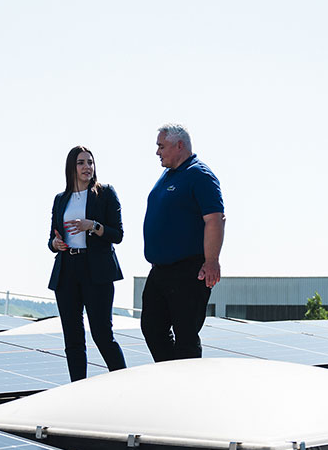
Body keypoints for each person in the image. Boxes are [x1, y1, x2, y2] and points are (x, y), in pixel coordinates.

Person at [141, 124, 226, 361]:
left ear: (179, 145)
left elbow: (215, 219)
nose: (157, 152)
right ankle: (171, 374)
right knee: (152, 327)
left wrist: (212, 261)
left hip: (189, 270)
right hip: (160, 270)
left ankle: (189, 380)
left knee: (185, 334)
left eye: (161, 146)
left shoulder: (200, 175)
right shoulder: (168, 175)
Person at [48, 145, 128, 381]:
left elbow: (118, 235)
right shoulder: (60, 199)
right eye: (81, 163)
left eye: (90, 162)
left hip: (97, 271)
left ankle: (125, 384)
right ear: (71, 167)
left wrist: (92, 225)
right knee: (72, 339)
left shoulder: (105, 193)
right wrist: (55, 243)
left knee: (102, 335)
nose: (87, 167)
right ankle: (78, 390)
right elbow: (51, 238)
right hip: (67, 270)